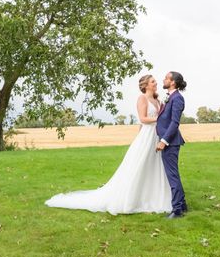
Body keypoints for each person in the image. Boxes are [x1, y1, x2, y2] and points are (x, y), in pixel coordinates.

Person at [45, 75, 171, 214]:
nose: (156, 83)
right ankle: (132, 198)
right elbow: (142, 118)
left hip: (156, 135)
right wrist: (159, 119)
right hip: (147, 136)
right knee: (140, 164)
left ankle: (154, 197)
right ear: (146, 85)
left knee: (155, 165)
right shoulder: (142, 99)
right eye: (153, 81)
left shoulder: (158, 100)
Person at [155, 71, 188, 219]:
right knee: (173, 175)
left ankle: (177, 210)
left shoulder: (178, 98)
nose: (163, 79)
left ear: (173, 82)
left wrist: (164, 141)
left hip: (171, 143)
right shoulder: (170, 97)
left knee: (172, 176)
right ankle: (183, 204)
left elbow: (175, 122)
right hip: (169, 142)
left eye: (166, 78)